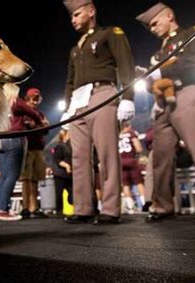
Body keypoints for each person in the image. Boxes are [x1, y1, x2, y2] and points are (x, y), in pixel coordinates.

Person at [136, 3, 195, 224]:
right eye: (150, 26)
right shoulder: (158, 53)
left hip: (188, 92)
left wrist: (162, 71)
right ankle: (162, 205)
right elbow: (152, 82)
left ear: (169, 15)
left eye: (155, 22)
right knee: (160, 157)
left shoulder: (191, 33)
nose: (153, 28)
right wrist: (148, 80)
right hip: (163, 103)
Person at [62, 0, 136, 224]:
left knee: (106, 154)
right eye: (72, 16)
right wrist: (67, 109)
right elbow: (69, 81)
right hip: (78, 101)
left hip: (103, 93)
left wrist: (128, 98)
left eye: (77, 14)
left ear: (91, 11)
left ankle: (111, 209)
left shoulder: (110, 33)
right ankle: (84, 208)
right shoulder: (76, 49)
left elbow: (126, 64)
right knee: (79, 157)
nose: (73, 19)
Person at [0, 84, 45, 221]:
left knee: (3, 176)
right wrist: (40, 121)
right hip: (14, 139)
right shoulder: (16, 101)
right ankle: (3, 210)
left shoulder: (0, 103)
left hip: (0, 139)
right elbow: (33, 113)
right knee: (12, 175)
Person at [20, 88, 50, 219]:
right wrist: (39, 126)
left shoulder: (40, 113)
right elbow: (26, 126)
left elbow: (46, 127)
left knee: (36, 179)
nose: (35, 101)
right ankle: (26, 208)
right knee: (26, 179)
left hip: (38, 148)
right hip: (27, 148)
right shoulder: (23, 112)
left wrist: (37, 126)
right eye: (33, 98)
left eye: (37, 99)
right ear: (27, 98)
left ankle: (34, 207)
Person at [118, 121, 146, 214]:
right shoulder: (131, 133)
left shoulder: (117, 135)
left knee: (125, 185)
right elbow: (138, 148)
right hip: (131, 160)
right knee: (139, 182)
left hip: (121, 161)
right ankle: (144, 204)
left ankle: (130, 206)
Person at [52, 125, 73, 216]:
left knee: (72, 193)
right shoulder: (60, 146)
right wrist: (67, 166)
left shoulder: (70, 145)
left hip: (69, 175)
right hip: (60, 174)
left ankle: (72, 203)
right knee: (59, 193)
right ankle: (59, 211)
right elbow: (57, 160)